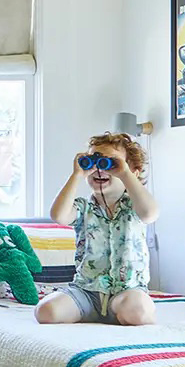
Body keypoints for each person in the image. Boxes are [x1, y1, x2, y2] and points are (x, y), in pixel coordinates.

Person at [35, 132, 159, 327]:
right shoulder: (84, 209)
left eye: (111, 164)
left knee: (138, 311)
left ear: (134, 171)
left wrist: (124, 173)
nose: (100, 170)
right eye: (94, 163)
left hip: (126, 291)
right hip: (86, 291)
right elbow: (58, 215)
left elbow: (150, 213)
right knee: (45, 311)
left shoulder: (135, 206)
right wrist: (77, 174)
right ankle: (92, 314)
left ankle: (122, 313)